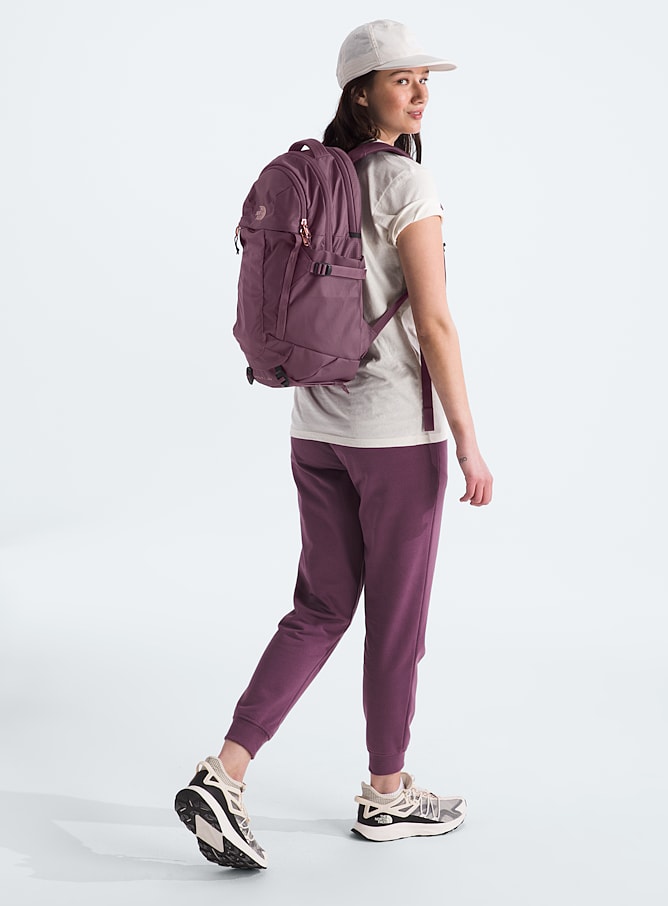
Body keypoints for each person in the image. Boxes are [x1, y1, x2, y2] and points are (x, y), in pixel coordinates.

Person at [174, 19, 493, 870]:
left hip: (315, 426)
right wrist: (468, 441)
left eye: (425, 80)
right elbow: (435, 322)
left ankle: (224, 771)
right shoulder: (405, 183)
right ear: (362, 92)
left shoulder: (319, 178)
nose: (419, 94)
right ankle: (387, 795)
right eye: (401, 79)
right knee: (395, 620)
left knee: (319, 608)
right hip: (395, 438)